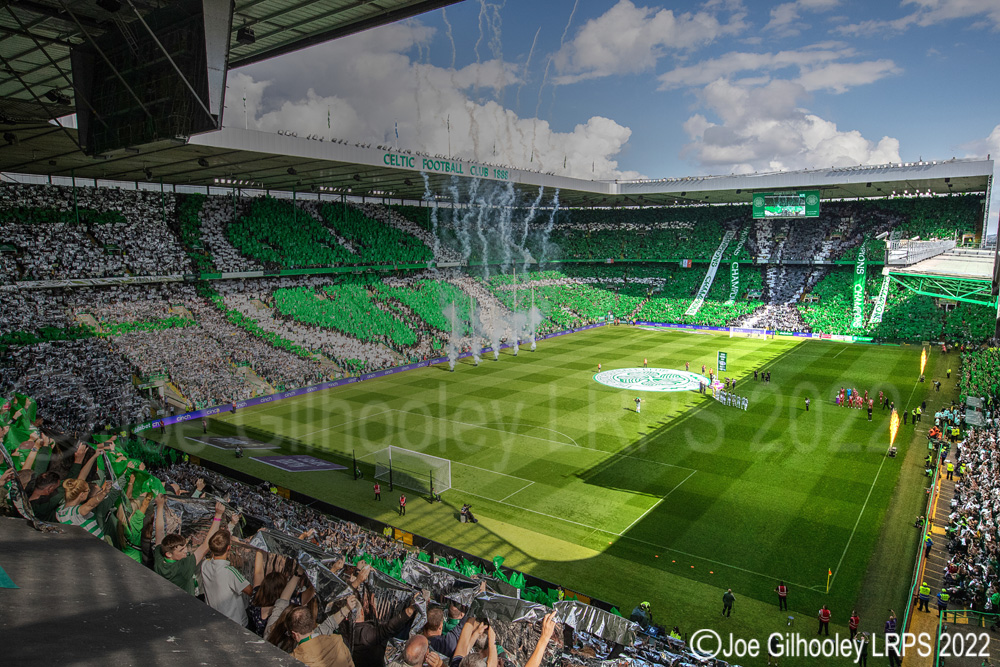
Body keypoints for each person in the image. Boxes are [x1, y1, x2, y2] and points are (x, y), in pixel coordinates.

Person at [153, 497, 226, 595]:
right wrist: (218, 515)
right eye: (181, 550)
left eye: (185, 547)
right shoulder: (182, 567)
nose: (186, 551)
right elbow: (206, 546)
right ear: (169, 554)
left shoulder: (159, 559)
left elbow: (159, 532)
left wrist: (160, 506)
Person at [201, 528, 253, 626]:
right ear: (229, 548)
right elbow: (251, 591)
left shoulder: (204, 565)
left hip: (213, 618)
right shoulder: (230, 572)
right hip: (235, 623)